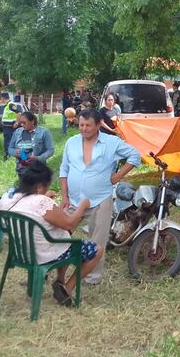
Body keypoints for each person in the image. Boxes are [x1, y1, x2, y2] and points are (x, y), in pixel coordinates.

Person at [0, 160, 103, 306]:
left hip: (21, 252)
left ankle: (60, 280)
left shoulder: (8, 198)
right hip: (44, 255)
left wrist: (47, 199)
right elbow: (69, 224)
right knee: (96, 250)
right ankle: (67, 287)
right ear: (41, 186)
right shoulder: (41, 202)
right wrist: (82, 206)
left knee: (64, 237)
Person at [59, 109, 142, 285]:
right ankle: (52, 267)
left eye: (88, 125)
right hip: (73, 199)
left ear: (98, 125)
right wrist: (64, 196)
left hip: (100, 199)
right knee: (60, 233)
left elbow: (135, 156)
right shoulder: (71, 143)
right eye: (81, 125)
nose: (84, 129)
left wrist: (118, 176)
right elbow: (64, 169)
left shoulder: (111, 142)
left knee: (98, 238)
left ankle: (91, 277)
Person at [1, 93, 20, 159]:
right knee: (10, 142)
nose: (1, 101)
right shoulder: (7, 105)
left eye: (1, 99)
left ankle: (8, 157)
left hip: (10, 127)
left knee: (8, 142)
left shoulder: (10, 104)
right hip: (7, 127)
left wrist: (17, 122)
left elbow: (18, 113)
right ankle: (11, 156)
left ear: (3, 98)